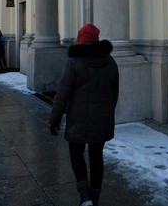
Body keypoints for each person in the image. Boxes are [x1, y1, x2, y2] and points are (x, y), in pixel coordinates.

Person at [49, 24, 119, 206]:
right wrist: (108, 112)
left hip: (78, 119)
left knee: (76, 152)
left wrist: (54, 118)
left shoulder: (74, 62)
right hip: (102, 118)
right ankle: (95, 195)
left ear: (81, 39)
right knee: (97, 155)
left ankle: (84, 195)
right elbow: (114, 92)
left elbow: (62, 95)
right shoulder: (110, 61)